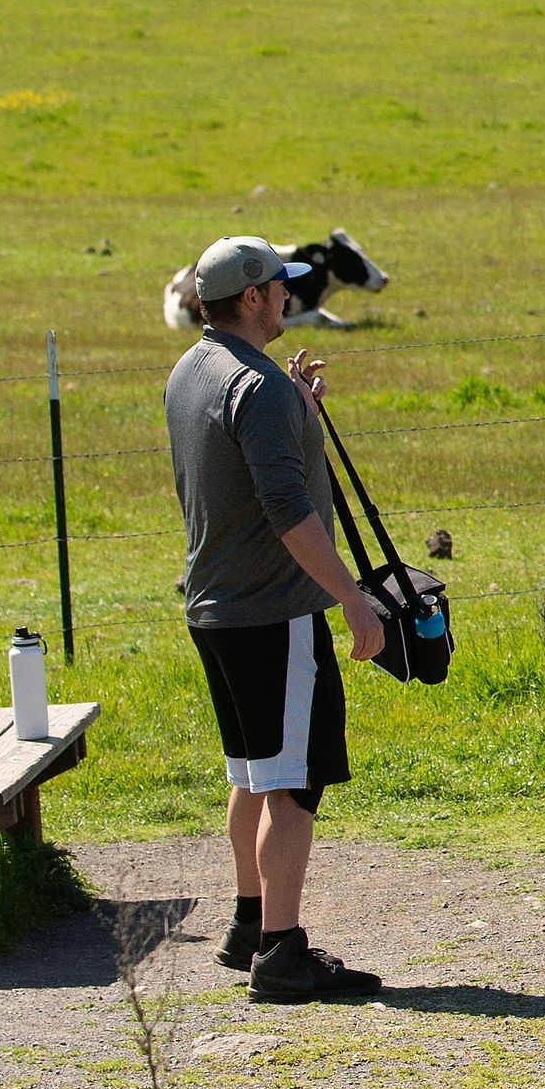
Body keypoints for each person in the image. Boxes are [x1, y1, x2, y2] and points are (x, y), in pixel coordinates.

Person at [166, 235, 391, 1004]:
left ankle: (247, 924)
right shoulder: (256, 388)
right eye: (280, 289)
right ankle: (283, 954)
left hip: (216, 609)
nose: (290, 298)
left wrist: (292, 408)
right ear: (255, 297)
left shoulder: (192, 370)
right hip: (276, 612)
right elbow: (290, 513)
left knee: (252, 773)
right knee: (294, 786)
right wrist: (351, 597)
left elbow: (237, 459)